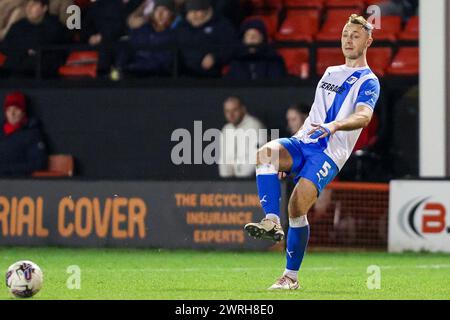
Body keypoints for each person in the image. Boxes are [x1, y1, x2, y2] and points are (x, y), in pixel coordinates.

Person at [244, 14, 380, 290]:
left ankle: (290, 277)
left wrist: (334, 126)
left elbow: (364, 117)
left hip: (329, 153)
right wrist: (289, 156)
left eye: (355, 35)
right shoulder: (330, 72)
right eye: (344, 35)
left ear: (369, 40)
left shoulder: (369, 81)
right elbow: (314, 117)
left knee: (296, 207)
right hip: (303, 141)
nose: (348, 40)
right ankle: (271, 221)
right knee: (266, 153)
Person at [1, 0, 68, 77]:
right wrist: (24, 50)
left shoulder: (54, 26)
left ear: (44, 8)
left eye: (33, 5)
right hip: (15, 71)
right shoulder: (17, 26)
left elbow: (57, 49)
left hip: (44, 72)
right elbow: (5, 47)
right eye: (28, 5)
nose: (28, 8)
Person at [115, 0, 177, 77]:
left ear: (171, 14)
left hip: (158, 78)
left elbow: (165, 62)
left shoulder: (174, 35)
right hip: (133, 75)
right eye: (157, 10)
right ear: (153, 13)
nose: (160, 14)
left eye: (165, 10)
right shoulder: (141, 30)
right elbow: (128, 49)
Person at [176, 0, 237, 77]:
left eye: (197, 10)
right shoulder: (182, 27)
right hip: (185, 77)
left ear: (206, 10)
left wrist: (215, 57)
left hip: (214, 78)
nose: (193, 14)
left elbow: (231, 47)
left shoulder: (222, 25)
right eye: (191, 11)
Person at [0, 91, 48, 176]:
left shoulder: (32, 134)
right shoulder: (2, 131)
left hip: (19, 181)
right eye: (9, 110)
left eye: (16, 109)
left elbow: (38, 164)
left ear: (23, 112)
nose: (12, 114)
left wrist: (6, 169)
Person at [218, 96, 265, 178]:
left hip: (250, 181)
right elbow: (224, 160)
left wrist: (240, 181)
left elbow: (257, 158)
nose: (231, 114)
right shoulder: (226, 129)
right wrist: (226, 182)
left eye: (234, 110)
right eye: (227, 111)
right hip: (230, 183)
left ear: (243, 109)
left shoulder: (255, 126)